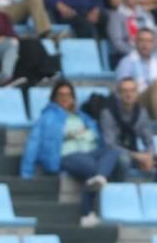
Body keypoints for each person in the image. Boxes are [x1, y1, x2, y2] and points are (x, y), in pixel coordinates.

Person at [20, 80, 123, 227]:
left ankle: (100, 177)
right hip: (66, 156)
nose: (64, 98)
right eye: (61, 95)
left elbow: (98, 139)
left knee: (113, 151)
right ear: (54, 97)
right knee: (91, 167)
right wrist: (26, 172)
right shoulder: (47, 118)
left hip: (90, 153)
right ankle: (87, 211)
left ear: (73, 98)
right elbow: (33, 143)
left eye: (68, 95)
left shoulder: (83, 117)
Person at [100, 77, 156, 177]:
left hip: (136, 153)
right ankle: (120, 190)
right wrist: (136, 156)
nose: (129, 94)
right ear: (118, 93)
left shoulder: (142, 112)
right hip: (114, 156)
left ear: (137, 93)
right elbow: (109, 145)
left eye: (132, 90)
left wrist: (149, 155)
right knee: (123, 160)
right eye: (125, 91)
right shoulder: (108, 113)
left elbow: (149, 141)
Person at [107, 0, 157, 67]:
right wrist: (138, 54)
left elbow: (155, 37)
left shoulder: (147, 15)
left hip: (149, 55)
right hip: (125, 56)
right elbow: (117, 43)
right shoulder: (115, 16)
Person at [116, 28, 157, 119]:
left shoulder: (155, 61)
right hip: (136, 102)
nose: (145, 44)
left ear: (154, 44)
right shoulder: (127, 62)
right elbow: (122, 90)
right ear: (135, 42)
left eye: (149, 41)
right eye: (142, 40)